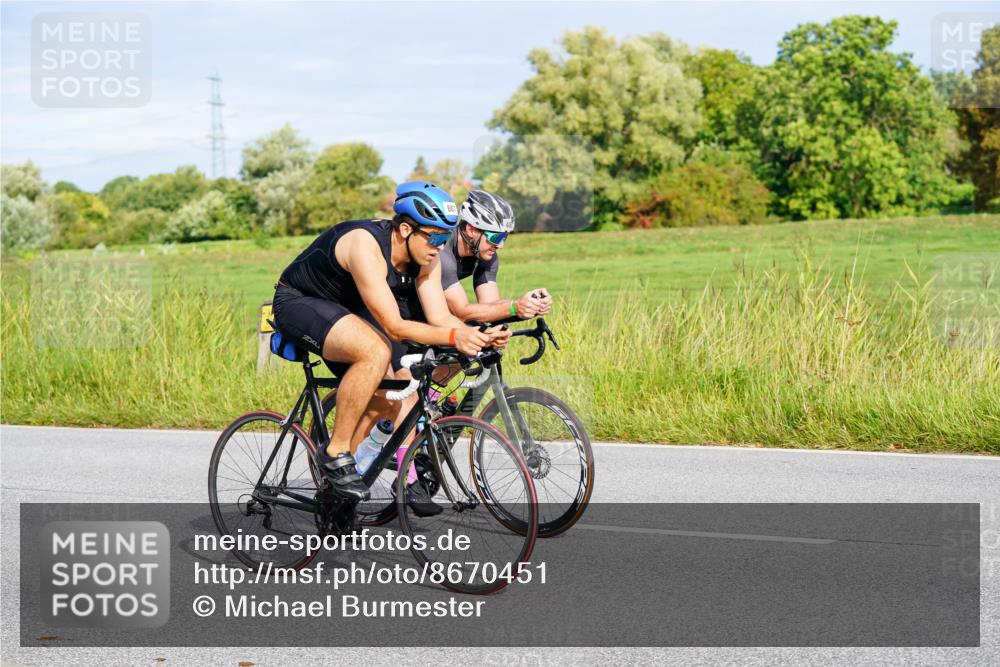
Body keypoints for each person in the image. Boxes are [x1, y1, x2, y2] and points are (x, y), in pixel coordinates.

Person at [270, 181, 506, 503]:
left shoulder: (428, 257)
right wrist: (457, 335)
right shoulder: (365, 245)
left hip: (347, 309)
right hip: (300, 301)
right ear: (406, 229)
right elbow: (395, 327)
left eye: (445, 237)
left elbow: (440, 317)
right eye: (435, 237)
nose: (440, 246)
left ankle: (337, 493)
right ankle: (335, 452)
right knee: (374, 352)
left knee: (394, 393)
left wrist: (478, 335)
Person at [440, 190, 552, 322]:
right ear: (471, 230)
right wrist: (514, 307)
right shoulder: (441, 251)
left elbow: (491, 307)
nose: (501, 245)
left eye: (504, 237)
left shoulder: (486, 254)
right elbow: (462, 312)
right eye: (496, 237)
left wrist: (529, 306)